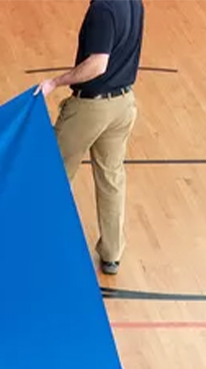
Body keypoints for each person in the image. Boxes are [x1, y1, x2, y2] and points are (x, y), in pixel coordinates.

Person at [37, 0, 144, 276]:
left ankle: (43, 247)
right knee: (111, 179)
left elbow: (97, 64)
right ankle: (112, 254)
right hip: (124, 104)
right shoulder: (133, 3)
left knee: (51, 173)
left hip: (91, 108)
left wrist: (55, 82)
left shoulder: (102, 9)